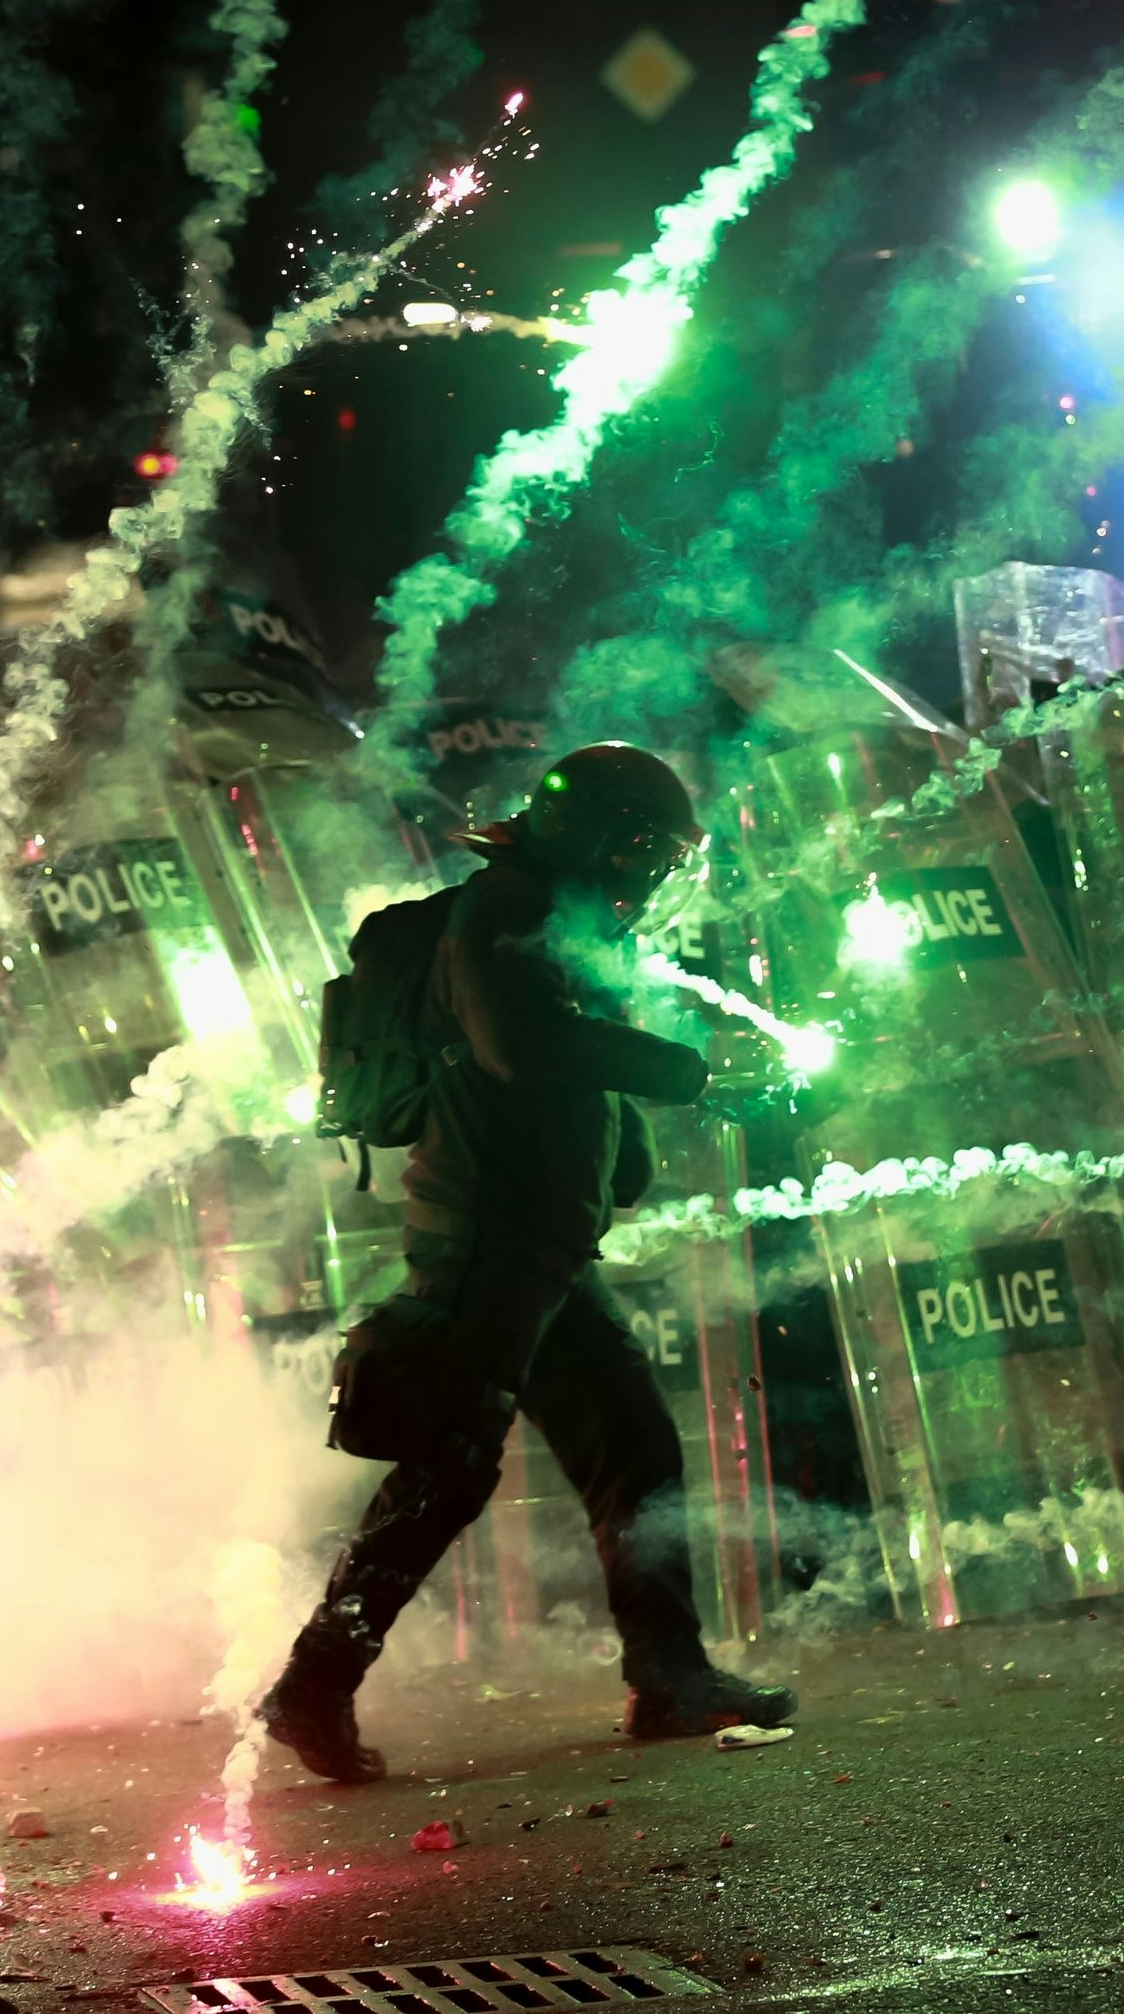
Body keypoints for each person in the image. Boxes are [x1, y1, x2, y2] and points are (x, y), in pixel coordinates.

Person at [259, 743, 792, 1783]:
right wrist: (692, 1072)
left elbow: (565, 1062)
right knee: (448, 1467)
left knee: (630, 1448)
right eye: (638, 844)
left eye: (660, 851)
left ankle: (669, 1675)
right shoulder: (499, 911)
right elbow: (526, 1049)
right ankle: (312, 1685)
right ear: (587, 832)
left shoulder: (550, 919)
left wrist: (622, 1153)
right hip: (488, 1244)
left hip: (536, 1249)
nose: (647, 870)